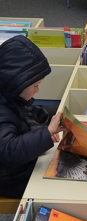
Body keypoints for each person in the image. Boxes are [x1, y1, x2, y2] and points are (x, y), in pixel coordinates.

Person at [0, 35, 66, 198]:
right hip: (9, 176)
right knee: (58, 178)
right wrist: (46, 132)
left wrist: (42, 121)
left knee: (58, 159)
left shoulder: (9, 96)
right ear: (16, 84)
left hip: (15, 165)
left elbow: (23, 113)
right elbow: (9, 152)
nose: (37, 91)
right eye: (35, 86)